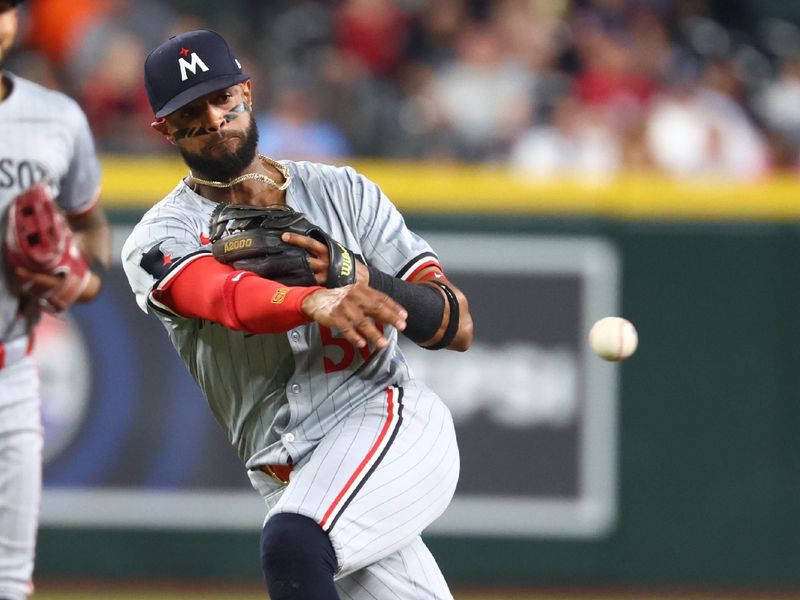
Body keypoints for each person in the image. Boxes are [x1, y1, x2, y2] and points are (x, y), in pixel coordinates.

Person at [122, 29, 472, 599]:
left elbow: (456, 326)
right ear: (165, 128)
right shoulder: (161, 235)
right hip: (289, 472)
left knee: (293, 544)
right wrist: (311, 298)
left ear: (247, 92)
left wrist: (364, 278)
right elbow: (221, 296)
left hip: (386, 419)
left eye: (221, 98)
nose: (213, 118)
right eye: (191, 111)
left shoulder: (343, 193)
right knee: (300, 540)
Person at [0, 2, 112, 599]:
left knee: (11, 581)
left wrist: (79, 273)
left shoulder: (55, 117)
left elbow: (92, 229)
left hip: (11, 372)